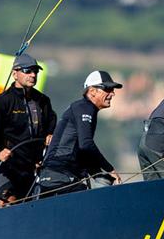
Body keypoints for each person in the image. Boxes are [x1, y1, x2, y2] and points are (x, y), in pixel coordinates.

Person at [0, 53, 57, 206]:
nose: (33, 75)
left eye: (35, 71)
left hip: (29, 168)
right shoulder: (2, 101)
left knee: (25, 207)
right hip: (4, 166)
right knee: (7, 202)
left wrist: (50, 135)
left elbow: (52, 125)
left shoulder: (43, 101)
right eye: (28, 71)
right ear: (15, 74)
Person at [38, 70, 123, 198]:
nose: (113, 94)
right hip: (60, 175)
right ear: (92, 91)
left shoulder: (85, 109)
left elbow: (82, 153)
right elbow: (86, 145)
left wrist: (98, 174)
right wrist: (110, 169)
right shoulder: (85, 107)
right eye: (108, 89)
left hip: (58, 175)